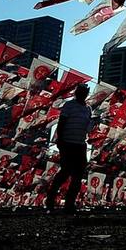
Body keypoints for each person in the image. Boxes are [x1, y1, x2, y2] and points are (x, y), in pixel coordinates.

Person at [46, 83, 93, 213]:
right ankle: (50, 200)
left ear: (86, 94)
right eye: (81, 91)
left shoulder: (88, 109)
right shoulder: (69, 105)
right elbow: (61, 123)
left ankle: (69, 204)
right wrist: (59, 139)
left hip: (81, 144)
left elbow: (88, 126)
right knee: (65, 172)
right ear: (77, 93)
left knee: (78, 175)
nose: (82, 94)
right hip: (67, 142)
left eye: (85, 92)